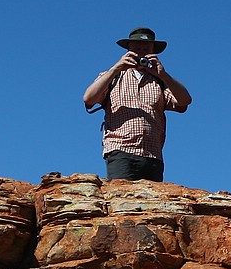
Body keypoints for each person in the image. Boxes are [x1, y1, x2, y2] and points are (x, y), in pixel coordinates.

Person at [82, 27, 193, 182]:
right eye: (137, 48)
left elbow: (185, 101)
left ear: (153, 52)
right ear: (128, 51)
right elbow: (89, 98)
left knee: (153, 198)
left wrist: (163, 75)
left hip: (153, 155)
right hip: (120, 151)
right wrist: (116, 68)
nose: (141, 53)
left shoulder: (160, 81)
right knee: (122, 195)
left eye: (146, 49)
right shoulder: (113, 77)